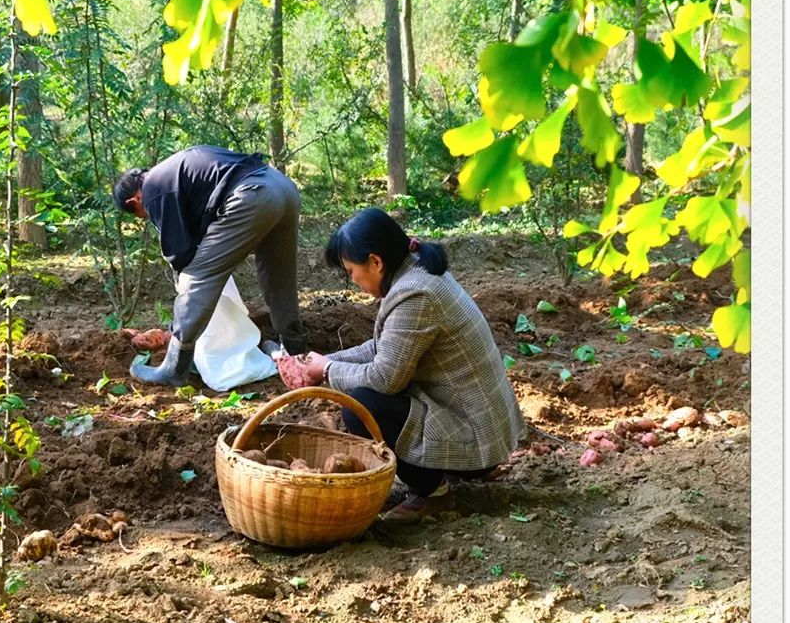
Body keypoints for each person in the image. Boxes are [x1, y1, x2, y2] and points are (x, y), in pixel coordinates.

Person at [280, 208, 524, 523]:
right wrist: (326, 361)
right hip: (480, 422)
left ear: (375, 262)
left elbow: (385, 378)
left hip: (476, 435)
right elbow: (384, 348)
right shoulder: (418, 272)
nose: (353, 280)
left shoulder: (415, 294)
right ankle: (451, 469)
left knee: (361, 406)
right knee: (368, 392)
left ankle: (433, 492)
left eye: (351, 271)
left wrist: (326, 371)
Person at [113, 145, 305, 385]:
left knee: (197, 276)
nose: (149, 217)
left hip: (252, 195)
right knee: (278, 276)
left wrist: (178, 322)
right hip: (281, 186)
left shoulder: (153, 189)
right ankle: (294, 351)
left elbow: (180, 255)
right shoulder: (174, 173)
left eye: (143, 215)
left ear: (134, 201)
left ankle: (174, 368)